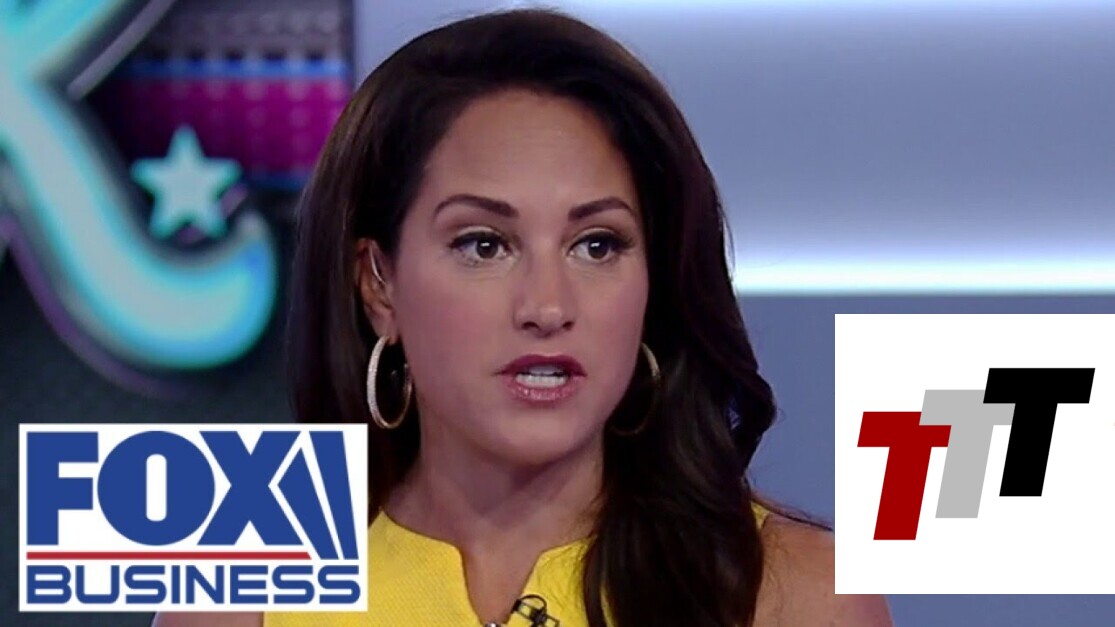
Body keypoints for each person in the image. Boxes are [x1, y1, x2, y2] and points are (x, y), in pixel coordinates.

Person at [154, 8, 891, 627]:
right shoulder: (236, 594)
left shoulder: (794, 595)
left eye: (596, 245)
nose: (547, 307)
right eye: (484, 244)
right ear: (379, 283)